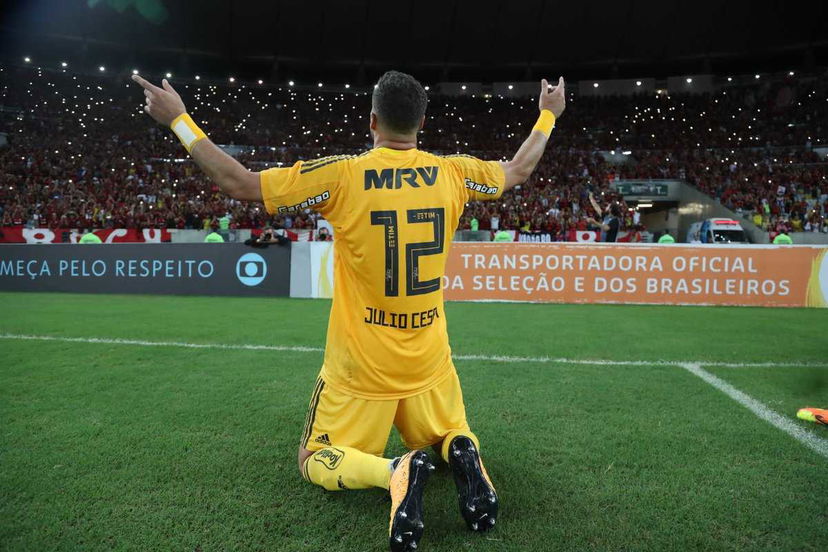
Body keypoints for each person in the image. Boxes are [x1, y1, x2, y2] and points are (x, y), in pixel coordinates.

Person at [133, 70, 566, 551]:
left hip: (361, 368)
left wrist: (179, 120)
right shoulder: (455, 173)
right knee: (448, 432)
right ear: (421, 122)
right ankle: (459, 450)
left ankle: (394, 470)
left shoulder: (344, 174)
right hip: (429, 360)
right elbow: (519, 169)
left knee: (312, 457)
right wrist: (548, 113)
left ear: (373, 121)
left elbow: (240, 183)